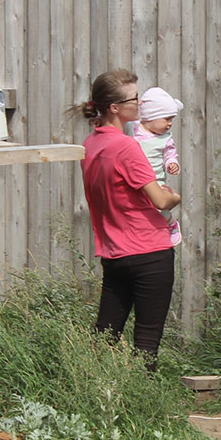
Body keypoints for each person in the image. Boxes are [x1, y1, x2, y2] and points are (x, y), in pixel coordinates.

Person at [75, 69, 181, 364]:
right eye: (135, 98)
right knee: (146, 343)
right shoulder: (126, 146)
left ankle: (98, 399)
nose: (141, 103)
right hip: (149, 252)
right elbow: (161, 199)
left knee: (104, 338)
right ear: (115, 108)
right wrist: (175, 196)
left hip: (114, 252)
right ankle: (146, 407)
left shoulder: (90, 145)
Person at [126, 86, 184, 248]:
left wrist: (172, 163)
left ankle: (171, 223)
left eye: (171, 119)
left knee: (159, 207)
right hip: (135, 179)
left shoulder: (165, 138)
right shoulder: (134, 129)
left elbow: (170, 154)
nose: (170, 124)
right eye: (167, 119)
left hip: (156, 179)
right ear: (151, 116)